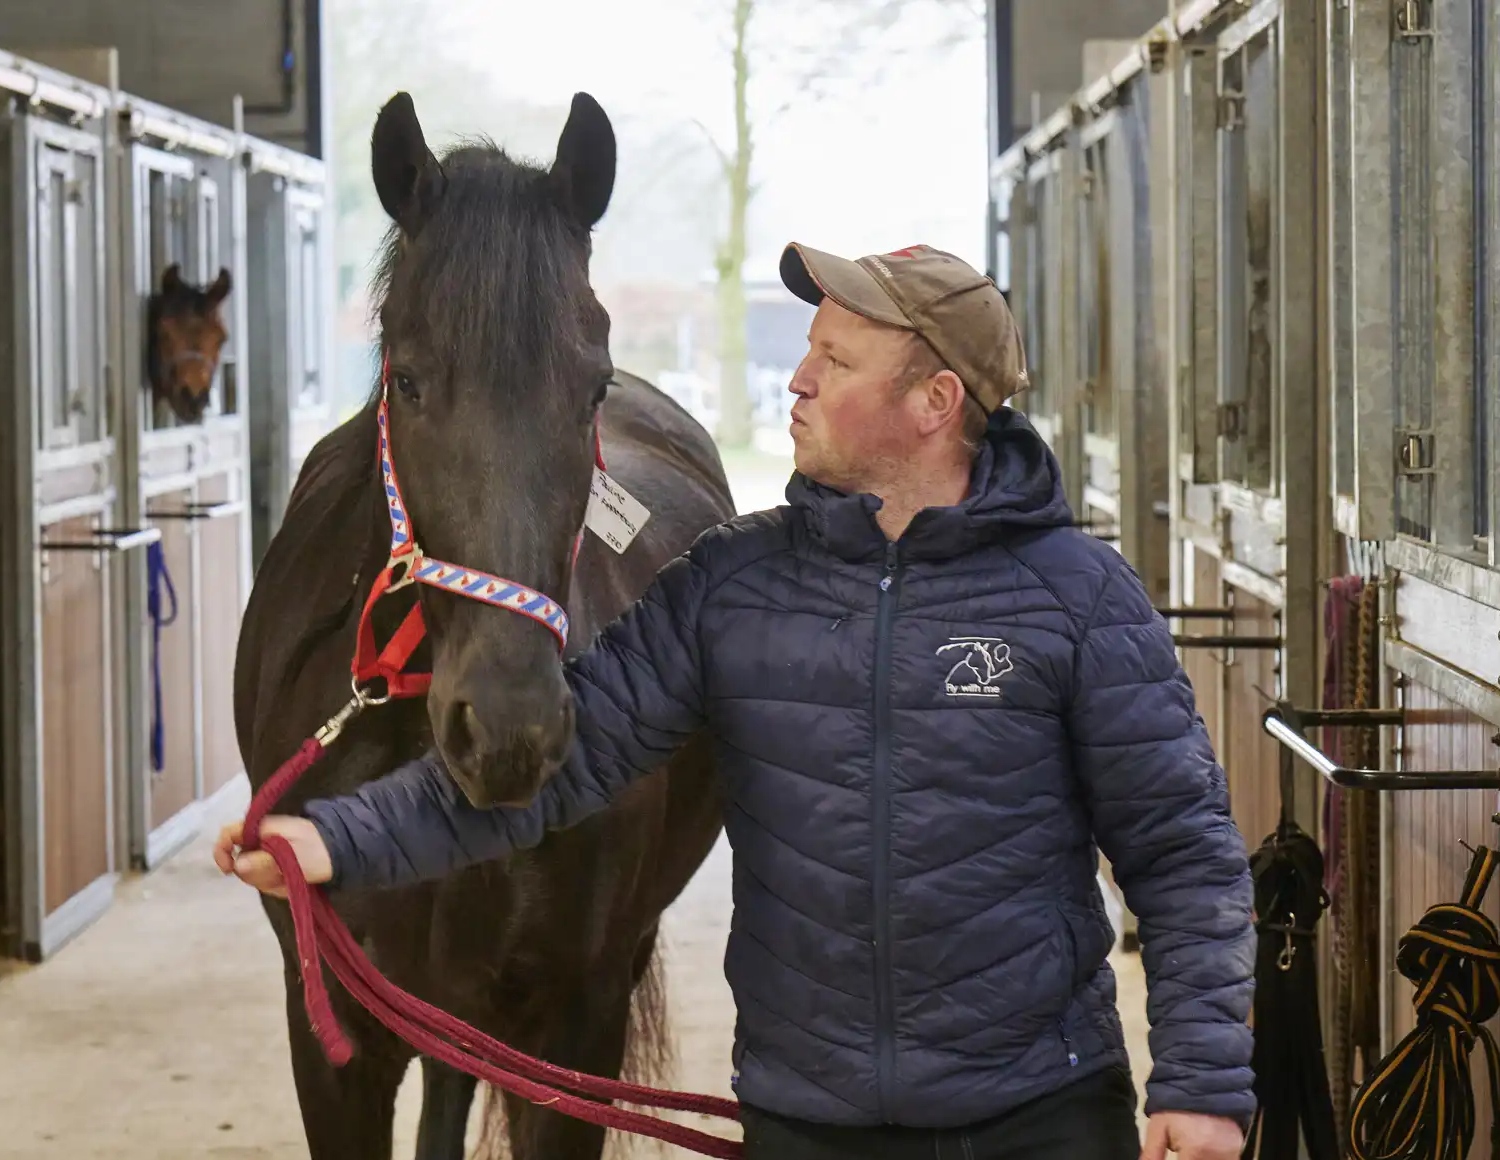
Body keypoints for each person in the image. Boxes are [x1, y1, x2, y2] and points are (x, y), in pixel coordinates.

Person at [217, 242, 1256, 1160]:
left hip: (1040, 1111)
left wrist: (1205, 1081)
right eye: (809, 349)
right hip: (811, 1115)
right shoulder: (731, 587)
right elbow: (568, 756)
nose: (796, 379)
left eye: (835, 362)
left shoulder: (1079, 595)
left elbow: (1180, 847)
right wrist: (338, 841)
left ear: (935, 402)